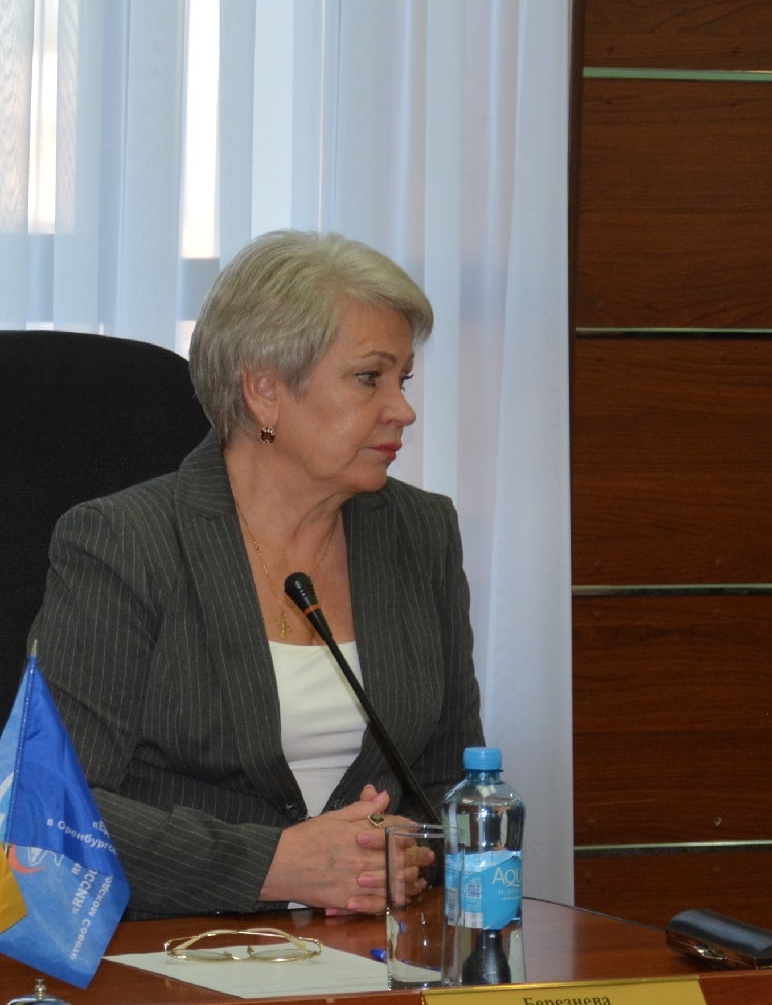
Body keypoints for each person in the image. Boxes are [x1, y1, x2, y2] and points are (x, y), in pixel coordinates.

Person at [30, 231, 483, 917]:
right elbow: (51, 808)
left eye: (404, 380)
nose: (403, 409)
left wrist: (401, 855)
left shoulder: (421, 533)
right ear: (265, 390)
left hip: (367, 944)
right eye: (370, 378)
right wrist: (277, 866)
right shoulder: (125, 543)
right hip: (174, 946)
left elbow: (454, 789)